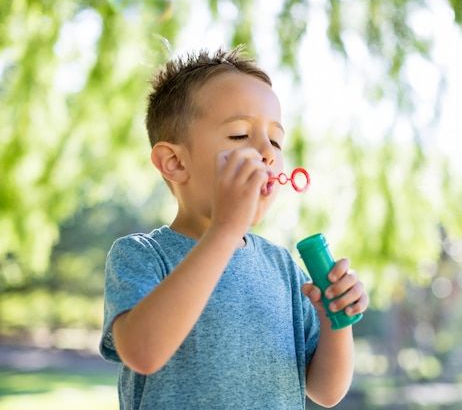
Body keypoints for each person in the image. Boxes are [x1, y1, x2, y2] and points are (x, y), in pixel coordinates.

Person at [99, 45, 369, 410]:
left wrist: (335, 318)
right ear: (175, 162)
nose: (268, 153)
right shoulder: (143, 255)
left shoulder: (282, 268)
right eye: (240, 135)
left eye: (275, 140)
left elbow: (326, 390)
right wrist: (225, 230)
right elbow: (143, 352)